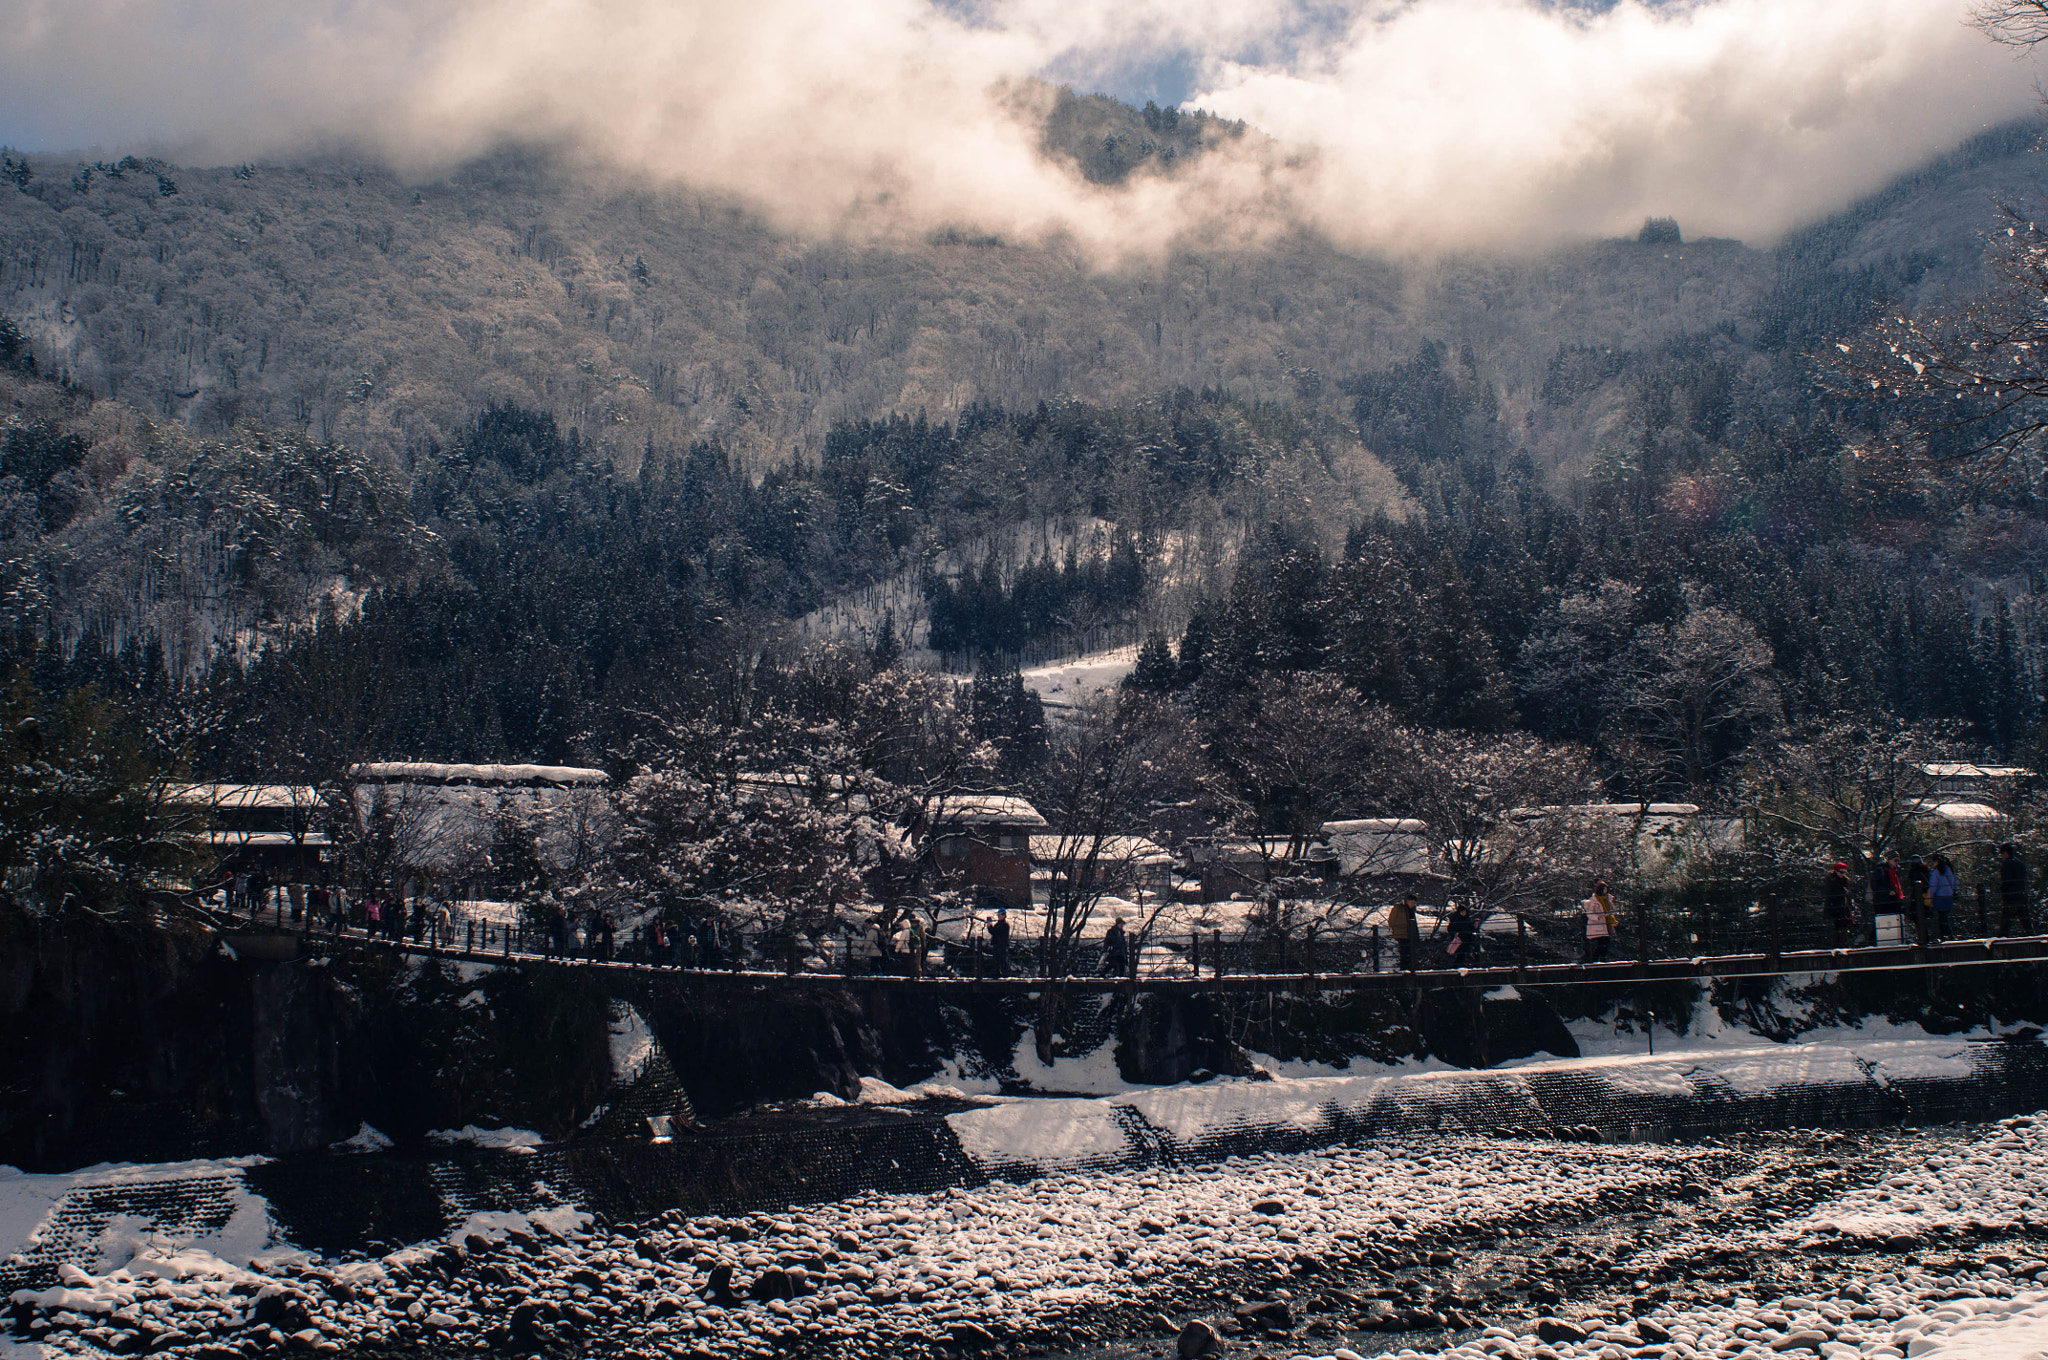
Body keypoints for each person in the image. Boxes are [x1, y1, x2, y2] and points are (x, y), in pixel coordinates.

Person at [1822, 862, 1856, 948]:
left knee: (1842, 927)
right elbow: (1831, 893)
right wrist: (1843, 892)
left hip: (1842, 908)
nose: (1843, 874)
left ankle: (1843, 945)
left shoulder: (1844, 880)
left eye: (1845, 872)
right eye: (1841, 872)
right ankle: (1837, 946)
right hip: (1834, 908)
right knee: (1836, 928)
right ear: (1836, 871)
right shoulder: (1831, 880)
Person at [1583, 880, 1618, 963]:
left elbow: (1612, 909)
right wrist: (1599, 917)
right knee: (1602, 943)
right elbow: (1590, 913)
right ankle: (1598, 960)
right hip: (1598, 924)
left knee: (1605, 943)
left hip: (1606, 923)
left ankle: (1599, 959)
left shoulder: (1608, 899)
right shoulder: (1594, 901)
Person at [2002, 844, 2030, 936]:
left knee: (2006, 924)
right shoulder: (2020, 863)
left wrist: (2003, 891)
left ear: (2006, 853)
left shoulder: (2007, 864)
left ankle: (2000, 943)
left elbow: (2006, 880)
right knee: (2026, 923)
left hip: (2011, 897)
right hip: (2021, 895)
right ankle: (2034, 940)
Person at [1929, 854, 1958, 940]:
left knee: (1941, 917)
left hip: (1939, 897)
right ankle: (1947, 935)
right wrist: (1954, 891)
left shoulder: (1935, 872)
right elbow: (1953, 882)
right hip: (1949, 896)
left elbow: (1933, 887)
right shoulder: (1949, 870)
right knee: (1945, 916)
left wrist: (1930, 899)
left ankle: (1945, 935)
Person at [1388, 893, 1420, 972]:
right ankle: (1405, 969)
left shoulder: (1410, 910)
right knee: (1405, 953)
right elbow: (1391, 921)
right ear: (1407, 901)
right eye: (1412, 902)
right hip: (1402, 935)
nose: (1413, 904)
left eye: (1414, 903)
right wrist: (1399, 928)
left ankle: (1407, 969)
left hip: (1409, 934)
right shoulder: (1399, 908)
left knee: (1409, 953)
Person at [989, 906, 1011, 978]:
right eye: (998, 915)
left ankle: (1005, 974)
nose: (998, 916)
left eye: (1000, 914)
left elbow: (997, 932)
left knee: (1003, 960)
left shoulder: (1005, 925)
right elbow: (993, 932)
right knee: (996, 960)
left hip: (1002, 945)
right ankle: (996, 973)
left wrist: (990, 927)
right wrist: (989, 927)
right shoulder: (998, 924)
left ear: (1004, 915)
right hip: (996, 944)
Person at [907, 914, 928, 979]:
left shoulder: (908, 926)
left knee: (911, 959)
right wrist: (924, 946)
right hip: (918, 945)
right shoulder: (919, 927)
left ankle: (911, 973)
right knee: (917, 960)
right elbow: (923, 937)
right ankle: (918, 973)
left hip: (909, 945)